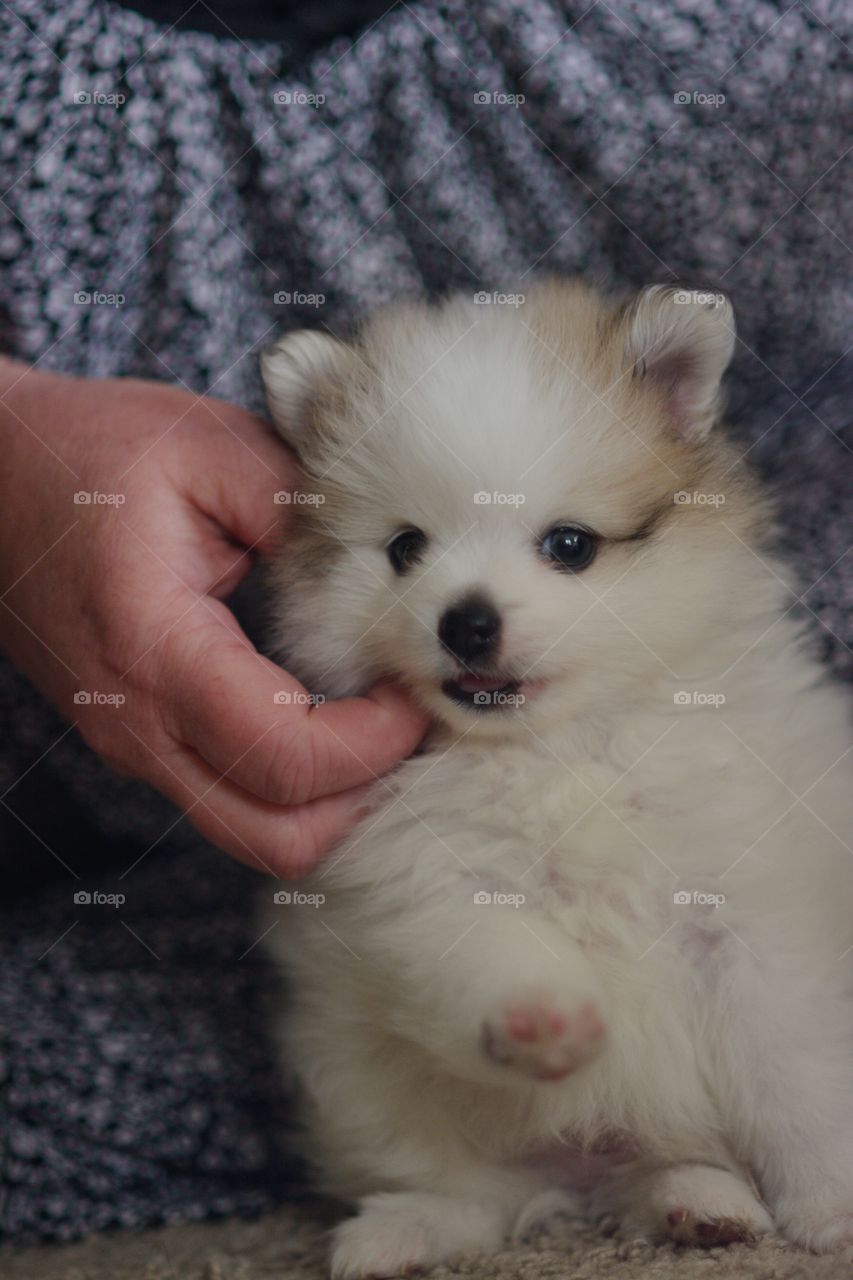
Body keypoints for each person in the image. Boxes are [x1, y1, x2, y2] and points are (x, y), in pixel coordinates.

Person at [1, 0, 850, 1247]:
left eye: (566, 546)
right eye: (405, 548)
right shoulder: (396, 782)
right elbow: (422, 952)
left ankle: (708, 1160)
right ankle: (459, 1192)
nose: (469, 608)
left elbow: (773, 963)